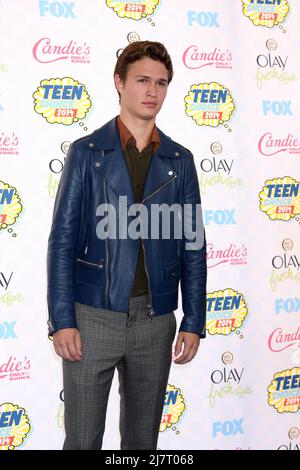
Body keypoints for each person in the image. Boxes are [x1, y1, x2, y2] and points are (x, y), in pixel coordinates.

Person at [47, 40, 207, 450]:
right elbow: (62, 241)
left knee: (142, 444)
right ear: (119, 83)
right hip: (91, 317)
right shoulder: (86, 154)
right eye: (142, 81)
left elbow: (193, 245)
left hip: (155, 322)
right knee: (82, 441)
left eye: (161, 83)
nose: (153, 91)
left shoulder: (180, 160)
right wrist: (62, 319)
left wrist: (193, 320)